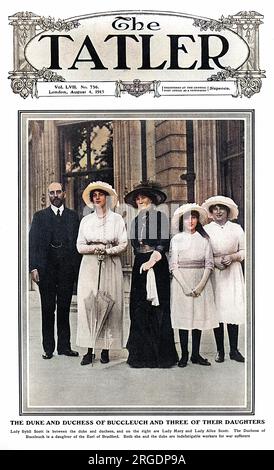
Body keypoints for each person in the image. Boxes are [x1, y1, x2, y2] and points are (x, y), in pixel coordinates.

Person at [124, 181, 178, 368]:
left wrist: (152, 260)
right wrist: (143, 262)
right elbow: (134, 245)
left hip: (157, 263)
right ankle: (140, 357)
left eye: (143, 197)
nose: (140, 201)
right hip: (140, 264)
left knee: (158, 307)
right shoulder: (135, 221)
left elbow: (164, 241)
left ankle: (162, 357)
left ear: (152, 199)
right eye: (137, 198)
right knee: (139, 307)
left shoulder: (161, 218)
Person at [76, 181, 127, 366]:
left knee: (109, 303)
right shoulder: (86, 220)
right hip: (90, 264)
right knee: (90, 303)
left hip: (110, 263)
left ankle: (106, 348)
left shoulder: (117, 219)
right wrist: (95, 248)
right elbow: (80, 246)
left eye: (101, 194)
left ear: (107, 197)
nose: (97, 197)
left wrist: (108, 251)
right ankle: (89, 350)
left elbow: (123, 244)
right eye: (94, 195)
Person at [29, 182, 81, 359]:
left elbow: (77, 244)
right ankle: (48, 348)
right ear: (48, 196)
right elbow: (32, 244)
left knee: (64, 308)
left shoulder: (73, 217)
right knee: (48, 309)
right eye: (52, 193)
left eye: (58, 192)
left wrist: (76, 269)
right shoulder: (39, 217)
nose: (55, 195)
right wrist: (33, 267)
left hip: (67, 270)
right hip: (46, 270)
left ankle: (64, 347)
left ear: (64, 194)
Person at [169, 203, 218, 367]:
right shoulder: (177, 239)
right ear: (182, 221)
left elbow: (209, 264)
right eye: (187, 218)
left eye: (194, 217)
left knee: (197, 318)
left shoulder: (204, 239)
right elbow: (174, 265)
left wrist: (200, 285)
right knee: (184, 320)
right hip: (181, 282)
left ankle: (196, 355)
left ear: (198, 220)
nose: (191, 221)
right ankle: (184, 355)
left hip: (200, 282)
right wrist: (183, 286)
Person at [202, 196, 245, 363]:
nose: (218, 211)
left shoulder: (236, 229)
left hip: (232, 272)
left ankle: (234, 350)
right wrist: (214, 260)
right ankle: (220, 350)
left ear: (228, 211)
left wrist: (233, 257)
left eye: (222, 208)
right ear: (211, 212)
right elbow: (203, 251)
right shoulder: (207, 230)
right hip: (215, 272)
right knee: (217, 310)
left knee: (231, 309)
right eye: (215, 209)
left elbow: (245, 249)